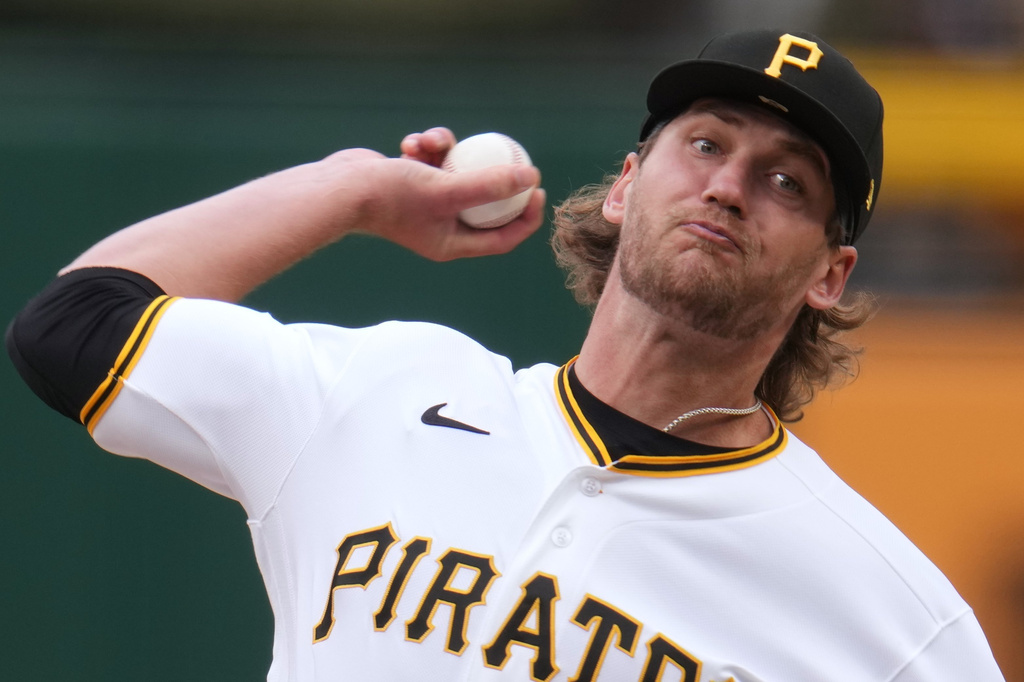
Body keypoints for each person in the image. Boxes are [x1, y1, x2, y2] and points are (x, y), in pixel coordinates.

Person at [6, 29, 1005, 682]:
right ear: (627, 185)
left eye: (788, 181)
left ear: (830, 274)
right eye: (706, 143)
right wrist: (353, 189)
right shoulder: (381, 392)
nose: (730, 186)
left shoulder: (893, 618)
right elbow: (72, 325)